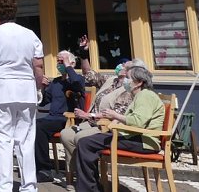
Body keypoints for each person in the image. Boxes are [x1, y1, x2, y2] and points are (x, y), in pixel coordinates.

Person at [0, 0, 45, 192]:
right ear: (15, 12)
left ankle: (4, 187)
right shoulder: (30, 34)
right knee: (25, 140)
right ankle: (29, 186)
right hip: (26, 90)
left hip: (2, 90)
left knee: (3, 141)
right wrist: (39, 86)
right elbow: (38, 64)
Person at [74, 65, 165, 192]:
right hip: (134, 136)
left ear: (139, 82)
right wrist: (115, 122)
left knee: (86, 143)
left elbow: (138, 122)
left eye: (128, 78)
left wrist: (115, 115)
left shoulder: (146, 96)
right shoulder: (139, 96)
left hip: (144, 141)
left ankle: (88, 188)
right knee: (88, 142)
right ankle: (92, 186)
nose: (125, 81)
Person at [59, 53, 140, 182]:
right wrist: (84, 55)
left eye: (125, 66)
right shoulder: (111, 80)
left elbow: (117, 113)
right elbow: (89, 75)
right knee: (66, 134)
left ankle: (88, 177)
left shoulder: (129, 90)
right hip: (91, 122)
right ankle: (80, 173)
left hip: (106, 125)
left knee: (80, 138)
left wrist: (89, 115)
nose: (121, 66)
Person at [35, 50, 85, 182]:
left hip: (68, 119)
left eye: (61, 61)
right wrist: (43, 87)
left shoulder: (77, 79)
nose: (59, 64)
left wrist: (68, 67)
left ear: (72, 63)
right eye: (58, 61)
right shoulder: (56, 82)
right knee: (32, 125)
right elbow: (44, 102)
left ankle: (44, 170)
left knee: (39, 127)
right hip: (52, 117)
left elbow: (78, 84)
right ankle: (37, 167)